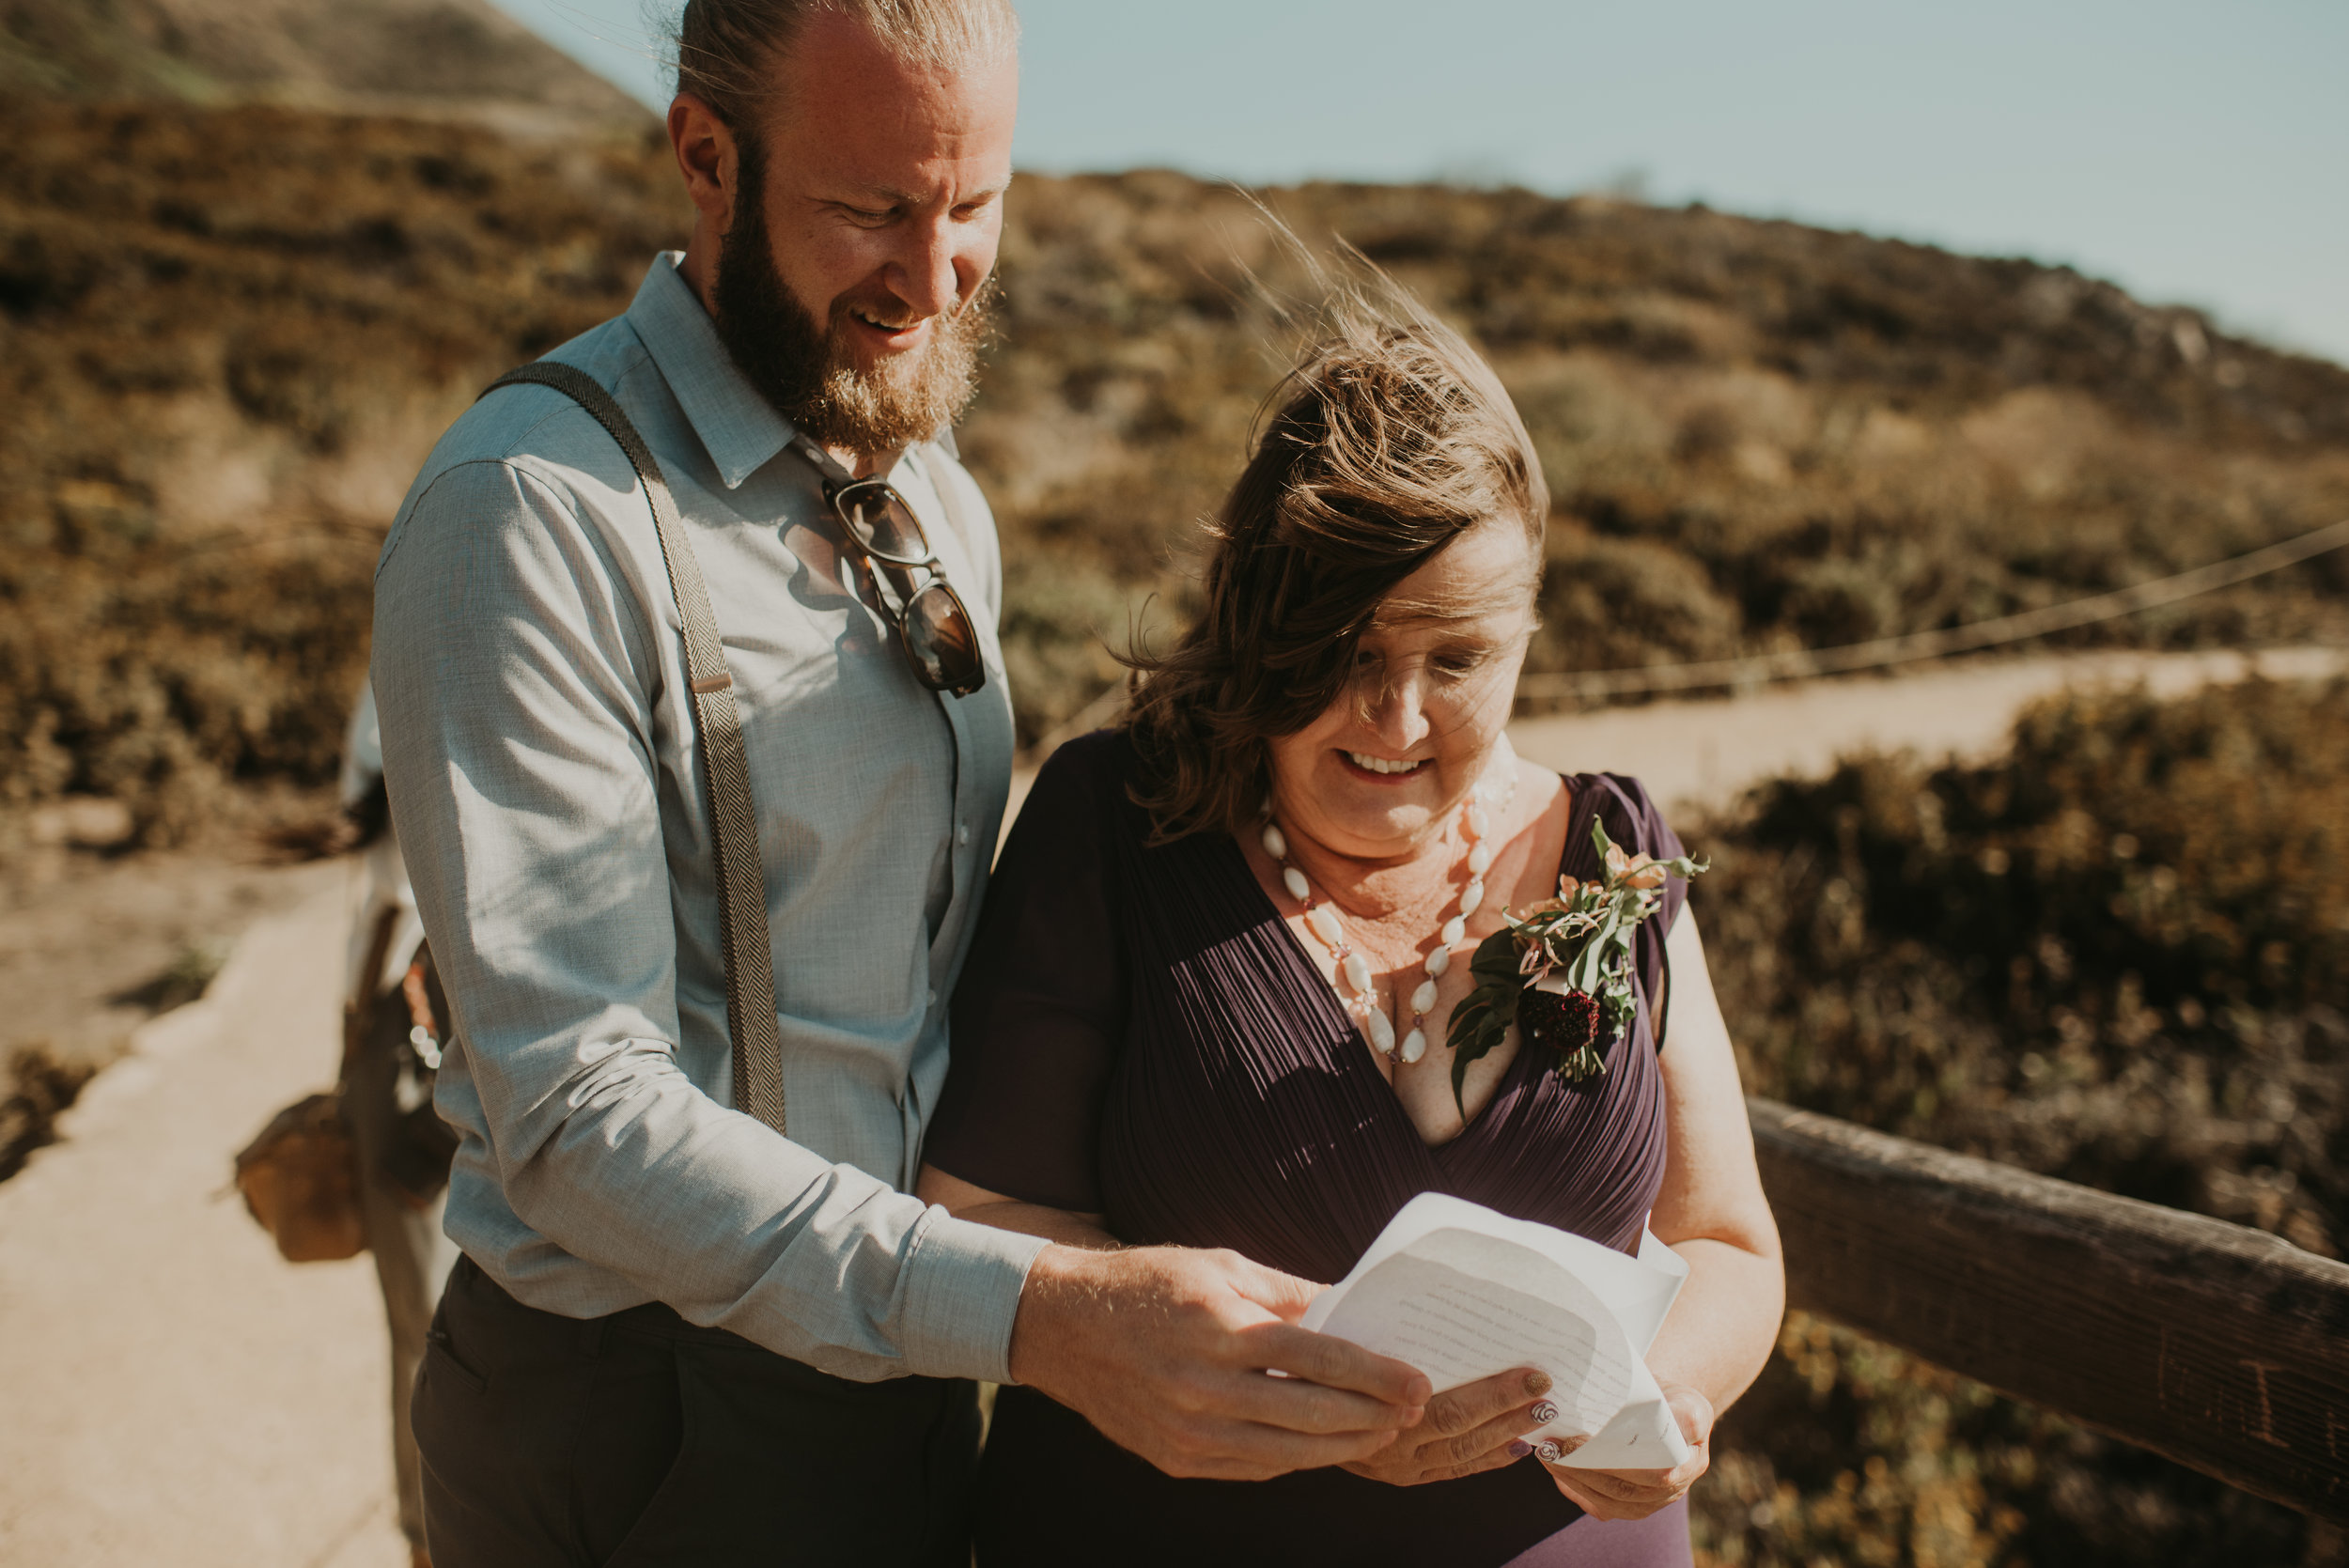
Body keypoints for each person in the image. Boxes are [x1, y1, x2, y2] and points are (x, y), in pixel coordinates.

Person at [371, 4, 1433, 1564]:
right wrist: (1039, 1312)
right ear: (705, 157)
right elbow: (575, 1113)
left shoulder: (939, 496)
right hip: (640, 1409)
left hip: (920, 1377)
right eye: (873, 207)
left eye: (975, 205)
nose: (933, 280)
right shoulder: (530, 510)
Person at [918, 278, 1787, 1564]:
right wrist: (1264, 1377)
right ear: (1260, 620)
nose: (1396, 718)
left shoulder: (1620, 849)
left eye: (1458, 660)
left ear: (1529, 627)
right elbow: (979, 1219)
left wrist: (1681, 1390)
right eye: (1347, 651)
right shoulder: (1114, 823)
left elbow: (1725, 1237)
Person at [337, 685, 458, 1568]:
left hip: (431, 1021)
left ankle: (439, 1534)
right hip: (409, 1019)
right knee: (424, 1317)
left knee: (434, 1318)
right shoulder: (395, 681)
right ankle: (429, 1540)